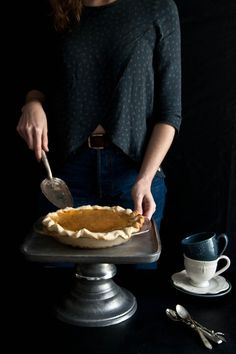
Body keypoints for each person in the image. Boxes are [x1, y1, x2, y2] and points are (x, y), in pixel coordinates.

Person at [17, 0, 181, 260]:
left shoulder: (157, 8)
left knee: (137, 288)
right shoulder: (57, 9)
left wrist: (145, 179)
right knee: (61, 291)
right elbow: (41, 79)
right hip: (67, 178)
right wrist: (32, 103)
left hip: (135, 176)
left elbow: (170, 113)